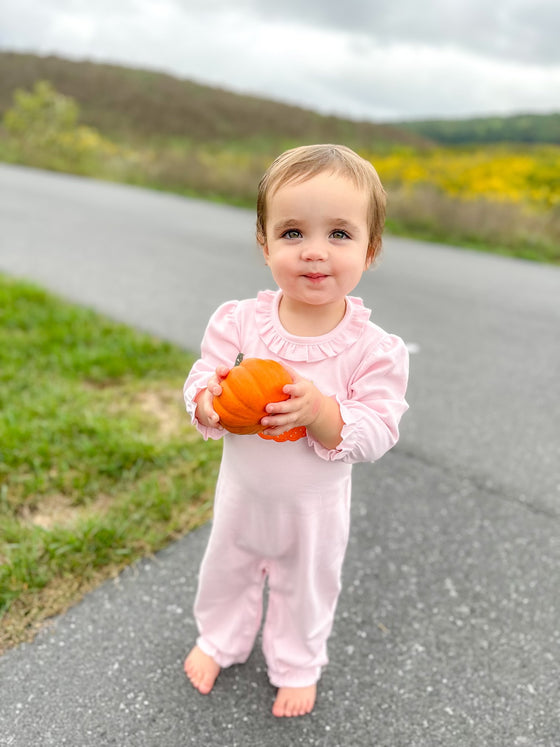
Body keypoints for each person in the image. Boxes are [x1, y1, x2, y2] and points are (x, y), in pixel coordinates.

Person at [183, 144, 409, 718]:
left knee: (306, 588)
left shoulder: (372, 349)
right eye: (291, 233)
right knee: (225, 568)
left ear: (370, 248)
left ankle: (297, 663)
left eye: (339, 234)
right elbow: (202, 379)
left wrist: (322, 412)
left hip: (314, 512)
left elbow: (379, 429)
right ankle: (220, 639)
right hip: (241, 495)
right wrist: (211, 404)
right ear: (264, 245)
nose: (313, 252)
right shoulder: (237, 322)